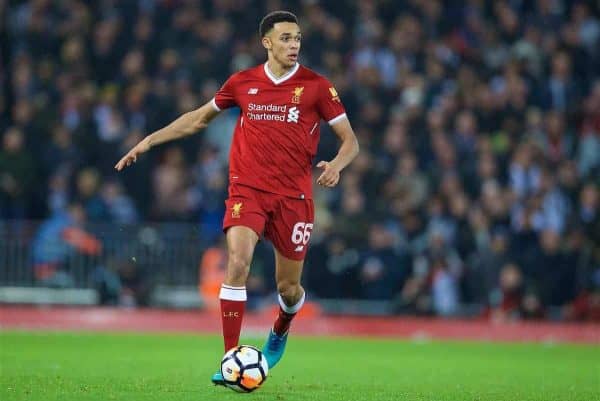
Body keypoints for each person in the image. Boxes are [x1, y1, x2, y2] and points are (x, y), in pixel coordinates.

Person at [115, 11, 359, 385]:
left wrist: (337, 166)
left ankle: (280, 328)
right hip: (247, 189)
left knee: (288, 289)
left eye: (297, 39)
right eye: (286, 38)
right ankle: (230, 358)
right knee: (238, 263)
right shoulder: (243, 82)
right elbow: (198, 119)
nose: (294, 45)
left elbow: (350, 142)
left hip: (293, 197)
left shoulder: (316, 87)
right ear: (267, 42)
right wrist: (149, 141)